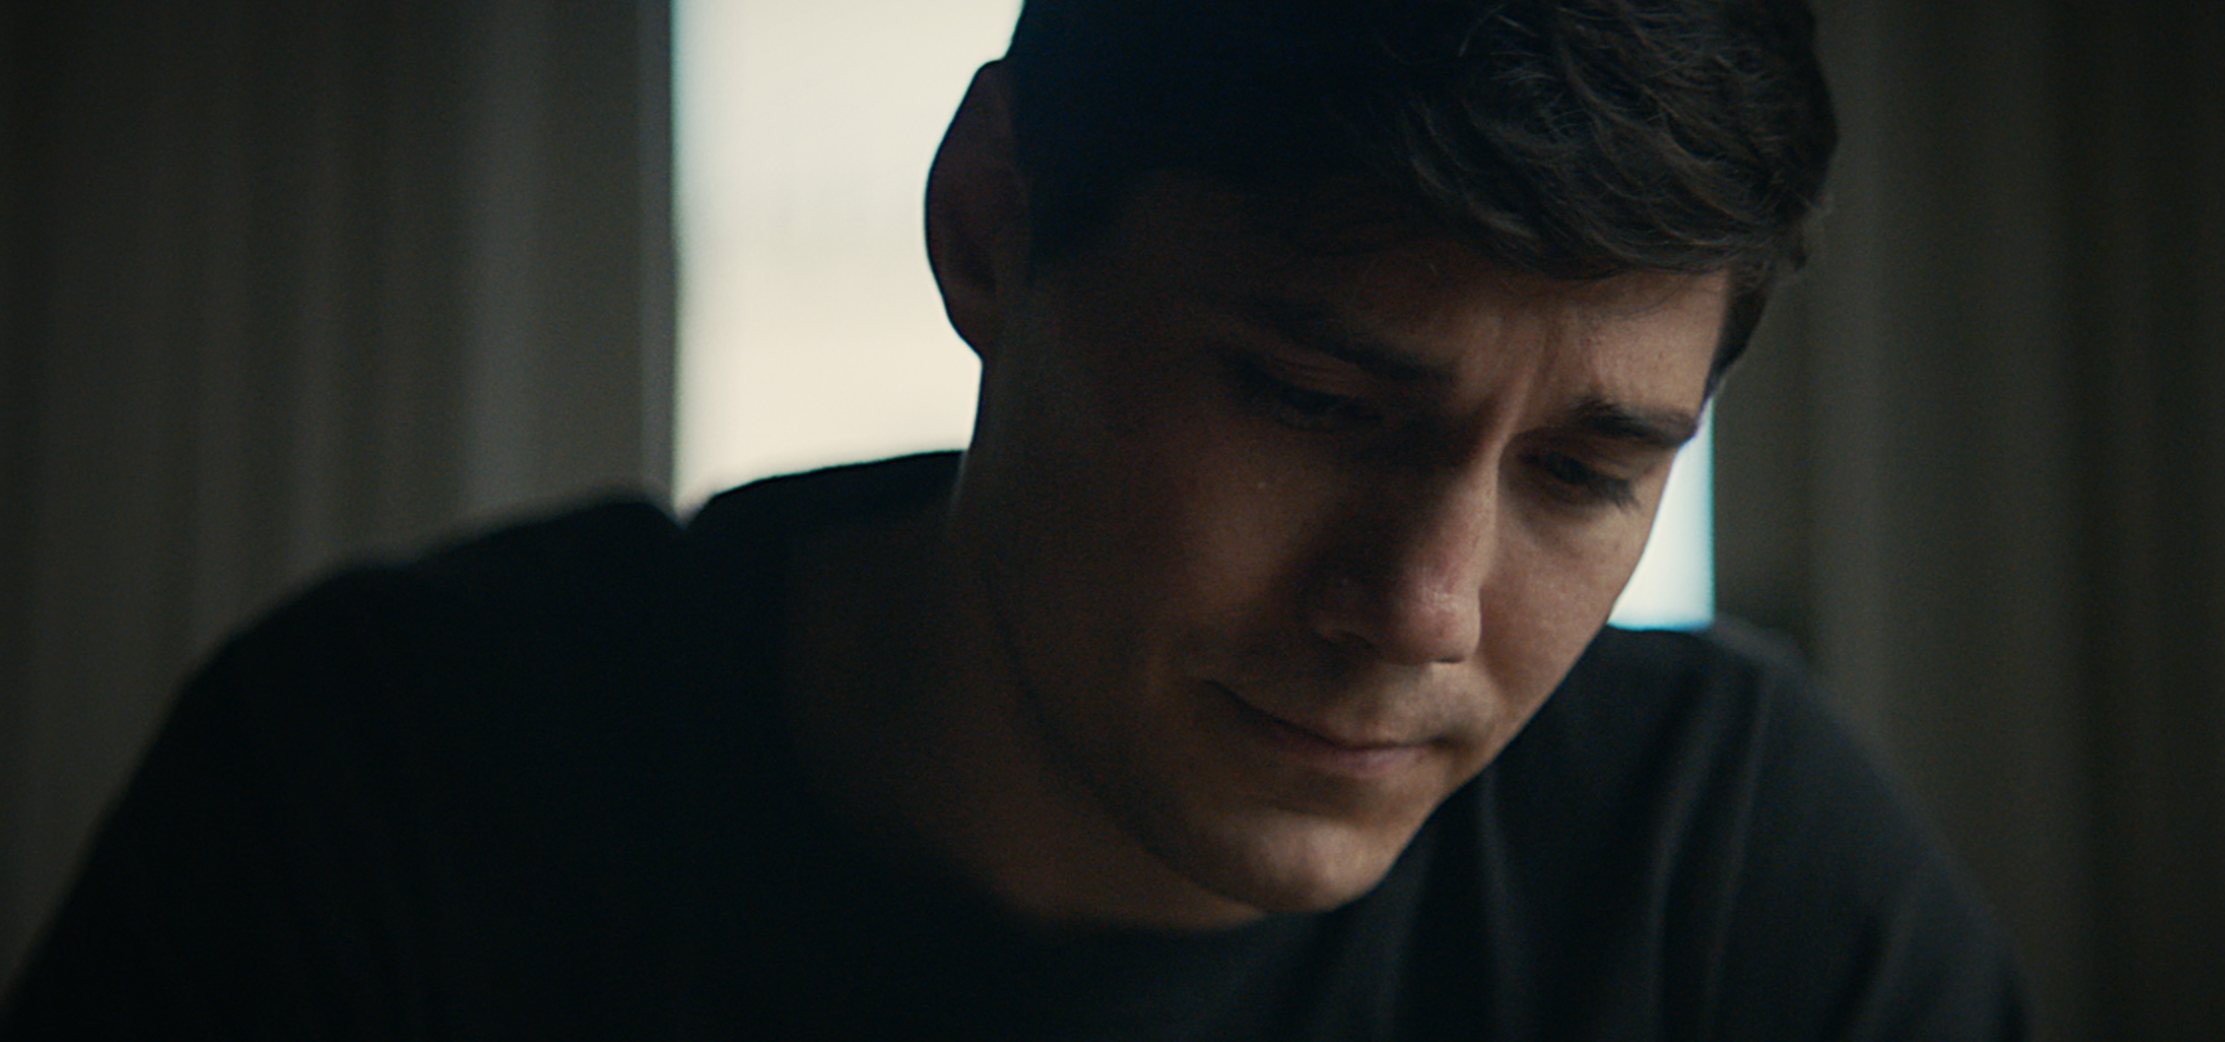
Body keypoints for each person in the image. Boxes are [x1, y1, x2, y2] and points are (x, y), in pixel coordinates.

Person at [3, 0, 2026, 1037]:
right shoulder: (371, 795)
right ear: (991, 223)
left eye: (1584, 473)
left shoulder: (1732, 878)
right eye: (1315, 402)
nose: (1423, 606)